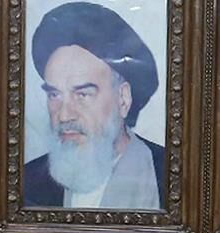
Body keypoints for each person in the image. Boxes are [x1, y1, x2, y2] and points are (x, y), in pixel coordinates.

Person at [23, 1, 166, 210]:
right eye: (54, 94)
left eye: (82, 94)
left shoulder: (171, 178)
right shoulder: (26, 184)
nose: (64, 116)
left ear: (123, 99)